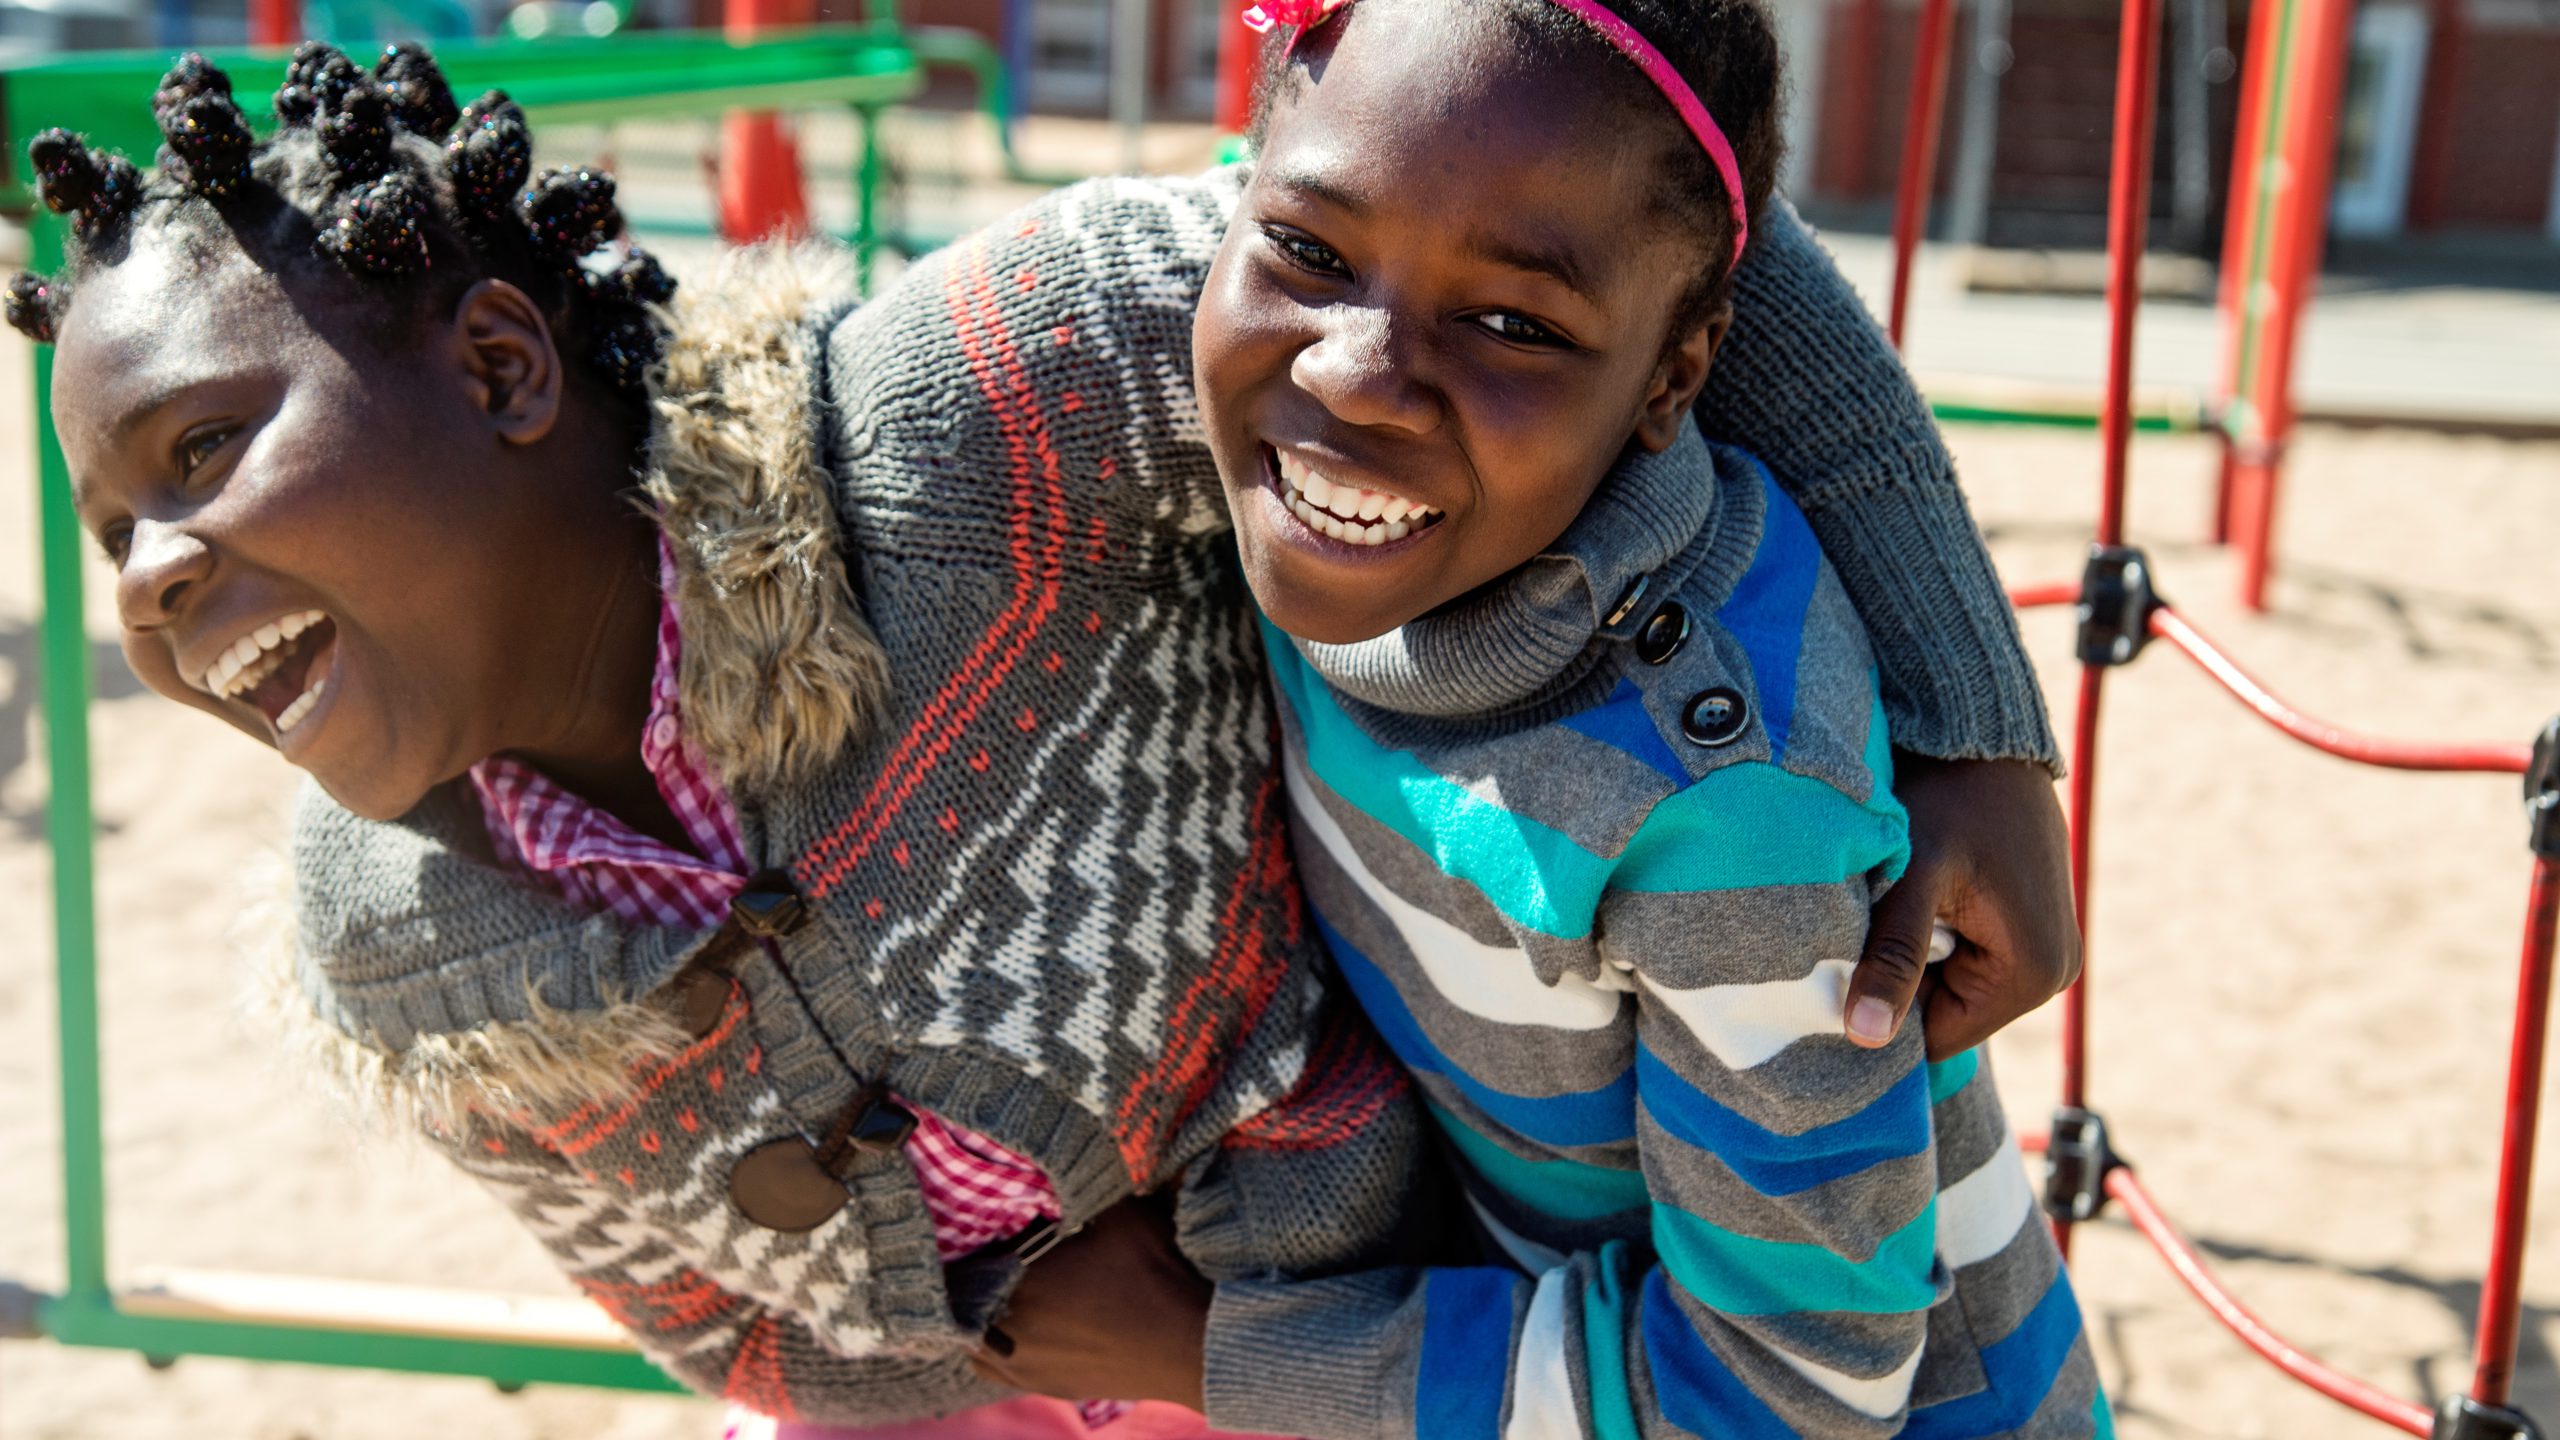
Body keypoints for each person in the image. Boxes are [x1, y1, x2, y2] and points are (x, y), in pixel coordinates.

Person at [8, 34, 2075, 1440]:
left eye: (206, 454)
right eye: (115, 531)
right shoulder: (409, 957)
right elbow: (714, 1321)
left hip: (1426, 1315)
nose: (153, 576)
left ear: (496, 361)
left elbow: (1613, 169)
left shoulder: (977, 422)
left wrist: (1973, 719)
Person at [973, 0, 2108, 1436]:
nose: (1353, 375)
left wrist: (1205, 1350)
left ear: (1675, 378)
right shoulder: (1333, 525)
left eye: (1513, 324)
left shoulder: (1718, 817)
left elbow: (1792, 1393)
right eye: (1311, 253)